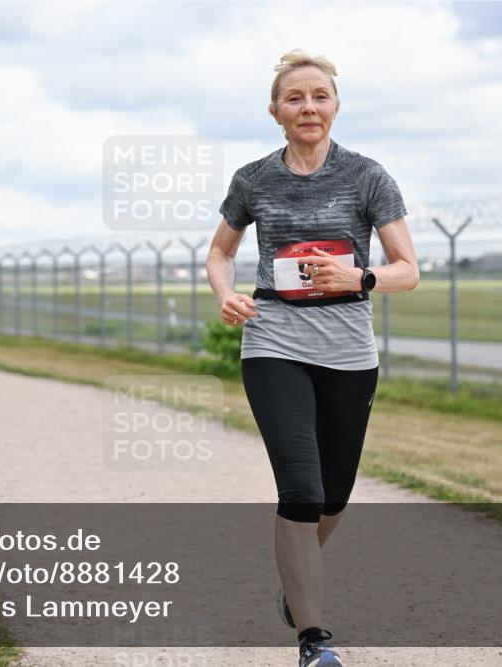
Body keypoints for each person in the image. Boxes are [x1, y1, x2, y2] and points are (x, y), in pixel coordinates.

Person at [205, 50, 419, 667]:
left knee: (334, 496)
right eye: (295, 98)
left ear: (335, 106)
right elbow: (220, 253)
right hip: (274, 341)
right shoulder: (253, 179)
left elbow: (408, 271)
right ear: (276, 111)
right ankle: (313, 639)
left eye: (319, 96)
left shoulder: (368, 176)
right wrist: (227, 294)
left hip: (349, 351)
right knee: (301, 487)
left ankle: (296, 587)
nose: (308, 107)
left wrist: (361, 277)